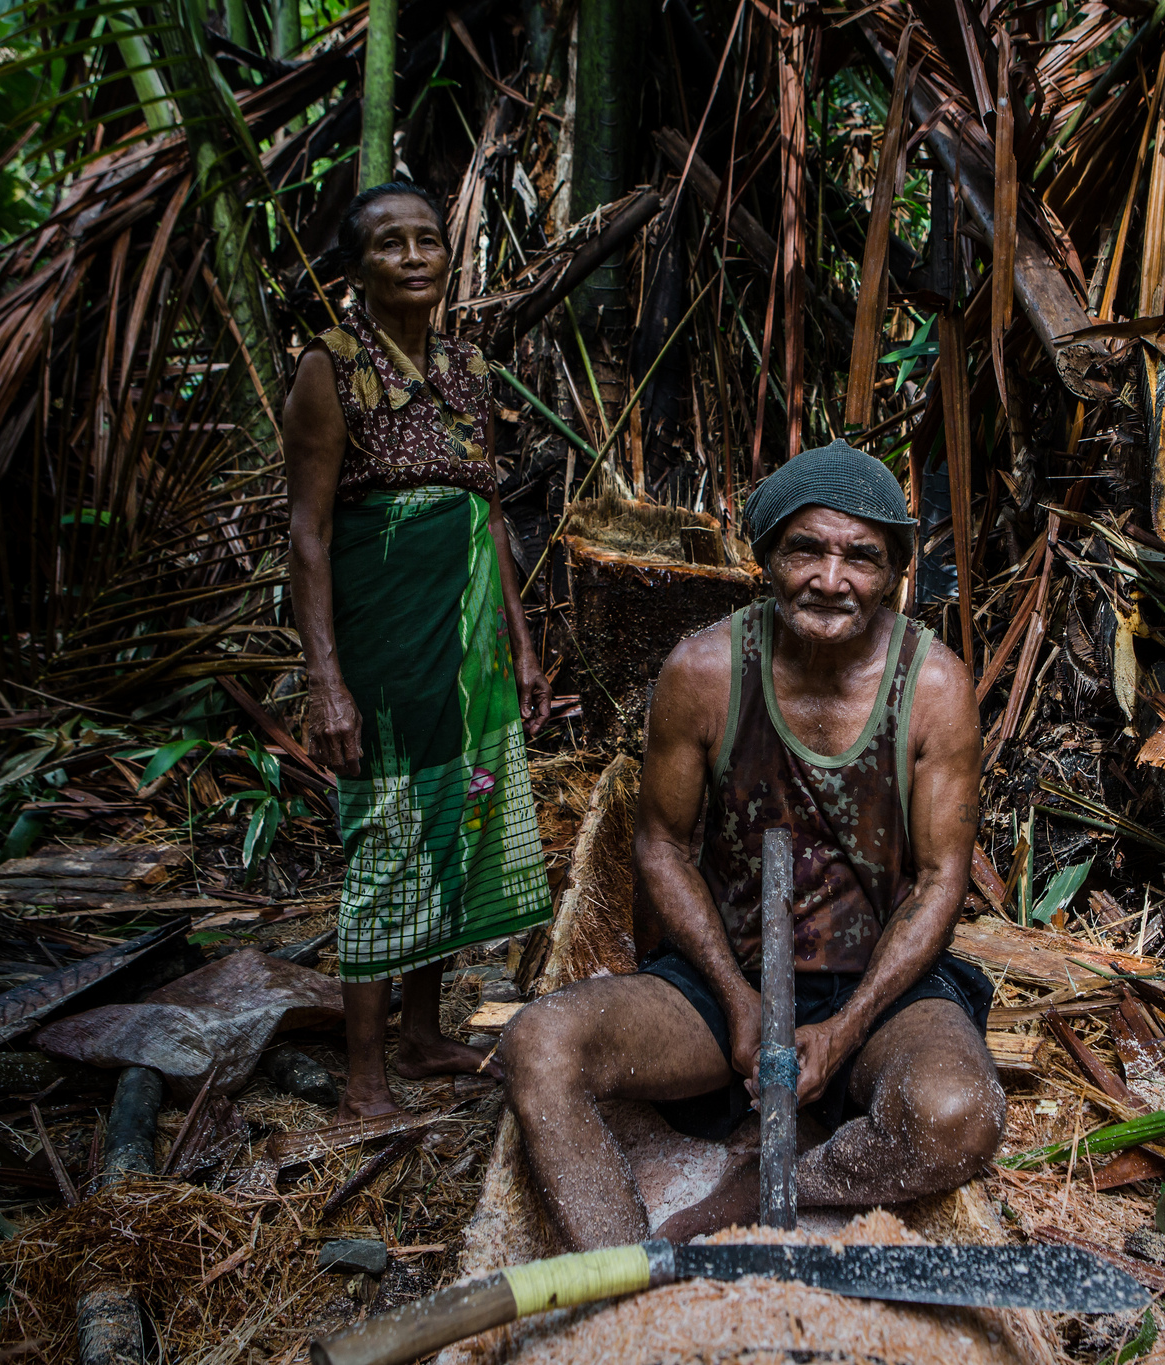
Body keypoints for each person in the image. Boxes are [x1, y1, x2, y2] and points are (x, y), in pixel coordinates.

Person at [503, 438, 1003, 1251]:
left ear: (894, 573)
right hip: (724, 981)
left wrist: (846, 1027)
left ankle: (781, 1182)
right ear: (768, 556)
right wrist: (738, 998)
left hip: (878, 991)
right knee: (538, 1044)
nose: (831, 579)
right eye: (806, 549)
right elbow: (661, 844)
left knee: (957, 1115)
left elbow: (941, 878)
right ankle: (625, 1273)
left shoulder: (935, 687)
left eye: (861, 557)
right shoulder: (703, 671)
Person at [283, 182, 553, 1121]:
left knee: (455, 821)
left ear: (448, 255)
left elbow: (487, 512)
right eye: (388, 244)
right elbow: (308, 532)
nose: (412, 257)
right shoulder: (330, 367)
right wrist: (327, 682)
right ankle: (365, 1077)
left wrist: (521, 642)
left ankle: (423, 1034)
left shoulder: (467, 366)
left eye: (428, 240)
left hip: (468, 640)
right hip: (385, 644)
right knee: (389, 833)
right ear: (356, 268)